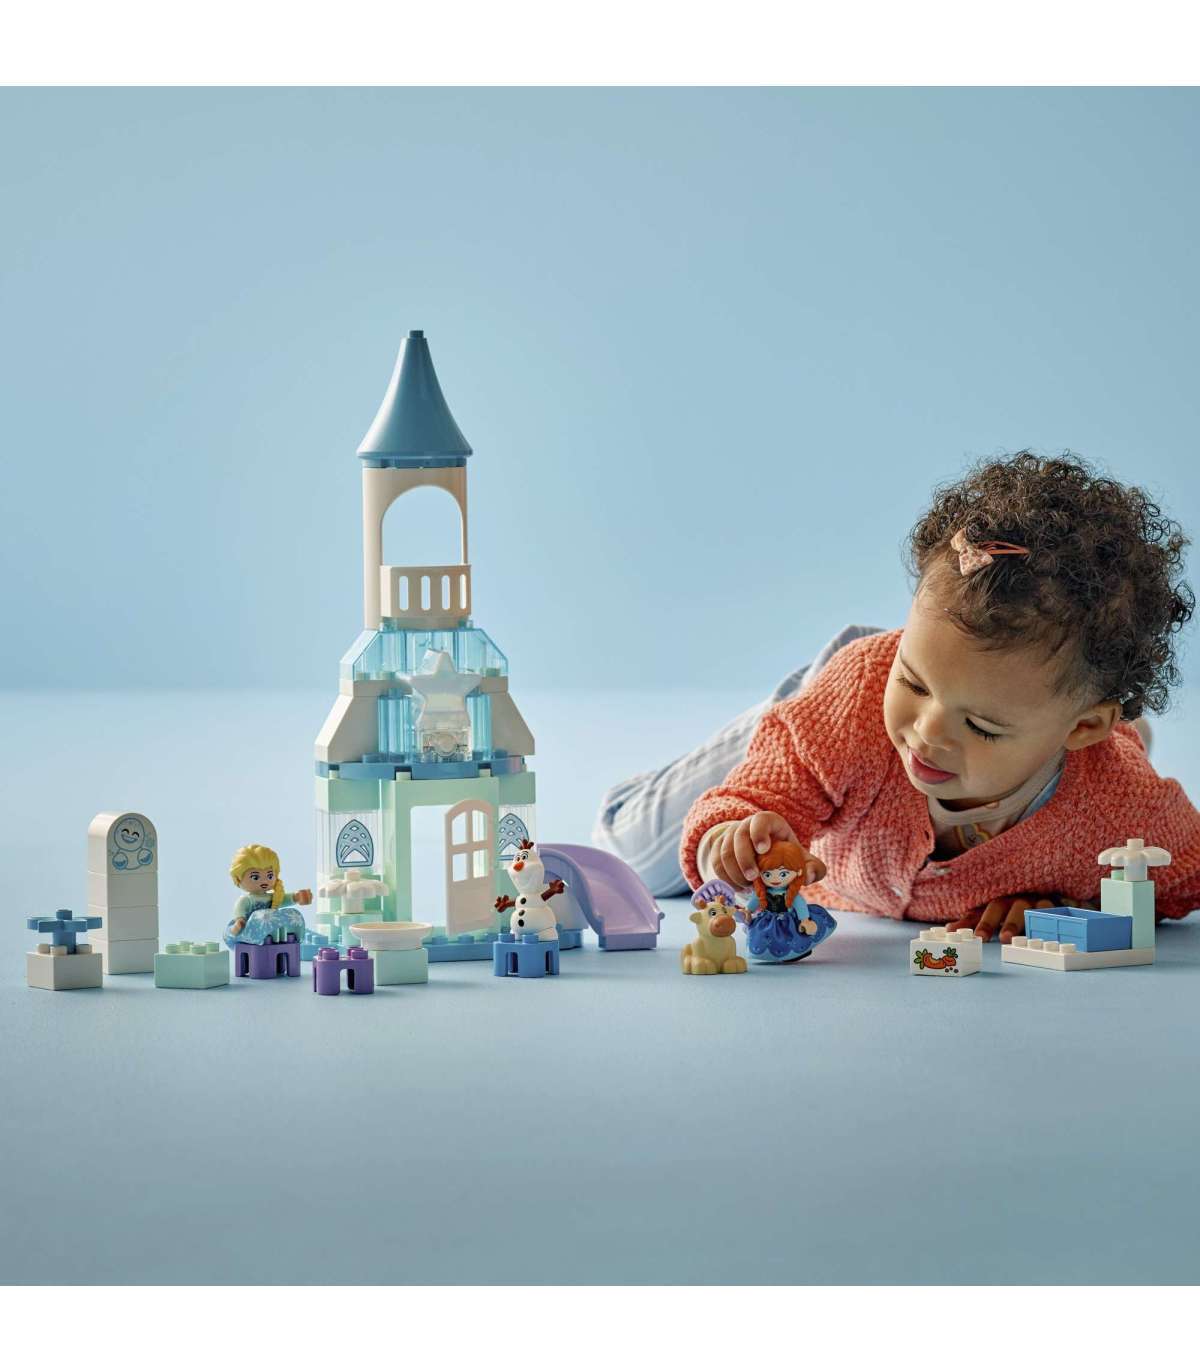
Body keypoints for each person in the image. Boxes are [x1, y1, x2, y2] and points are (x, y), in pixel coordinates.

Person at [595, 452, 1200, 939]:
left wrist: (1074, 907)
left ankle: (1106, 731)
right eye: (916, 684)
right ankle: (812, 697)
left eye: (982, 726)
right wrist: (733, 842)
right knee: (629, 853)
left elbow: (1184, 881)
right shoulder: (854, 714)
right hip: (843, 706)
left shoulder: (1121, 811)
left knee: (959, 710)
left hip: (1013, 725)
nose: (929, 732)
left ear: (1083, 728)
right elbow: (754, 802)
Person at [227, 843, 312, 944]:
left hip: (269, 931)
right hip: (250, 930)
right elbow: (240, 911)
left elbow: (283, 900)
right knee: (264, 918)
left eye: (270, 876)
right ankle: (233, 931)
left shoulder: (274, 897)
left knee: (290, 914)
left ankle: (280, 937)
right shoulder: (246, 900)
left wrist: (297, 897)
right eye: (255, 877)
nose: (264, 881)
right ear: (238, 879)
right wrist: (240, 921)